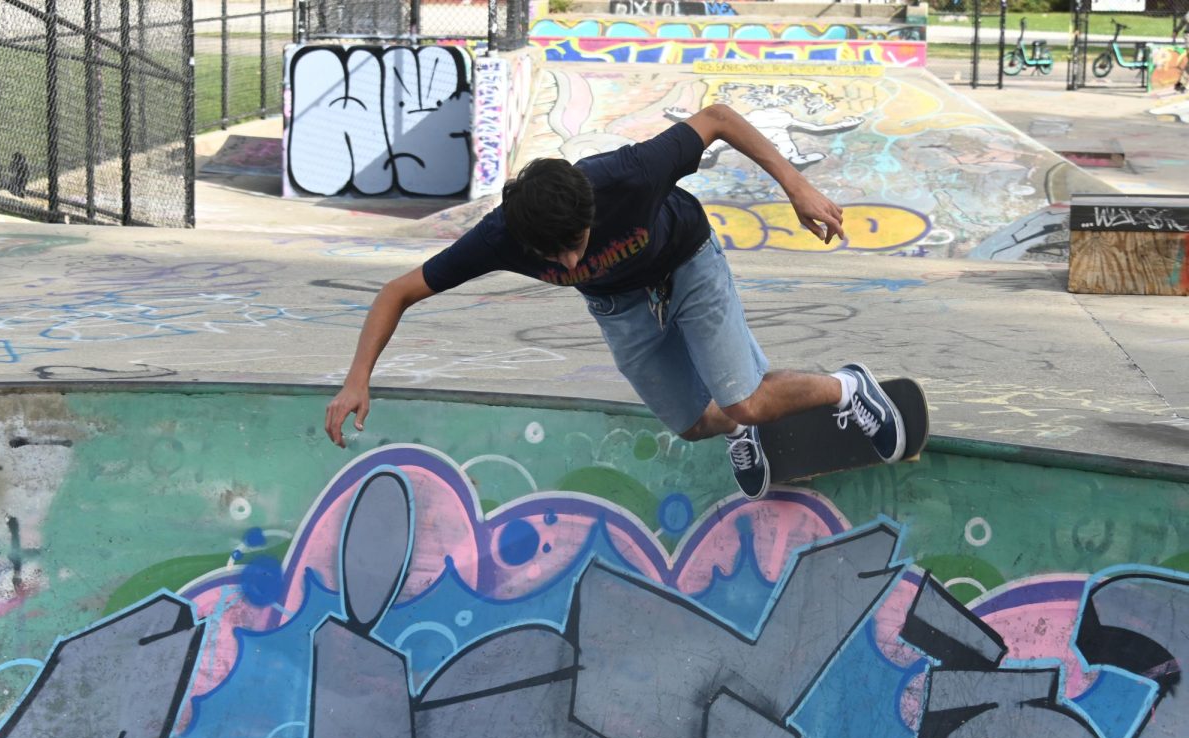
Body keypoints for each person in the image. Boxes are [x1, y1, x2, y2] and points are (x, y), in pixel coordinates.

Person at [324, 103, 905, 501]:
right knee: (694, 423)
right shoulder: (497, 237)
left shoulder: (628, 175)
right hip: (620, 307)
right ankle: (739, 426)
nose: (571, 265)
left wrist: (796, 186)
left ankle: (850, 387)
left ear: (589, 212)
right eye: (555, 258)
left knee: (746, 400)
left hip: (688, 261)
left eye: (577, 245)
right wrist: (357, 378)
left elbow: (719, 118)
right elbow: (398, 292)